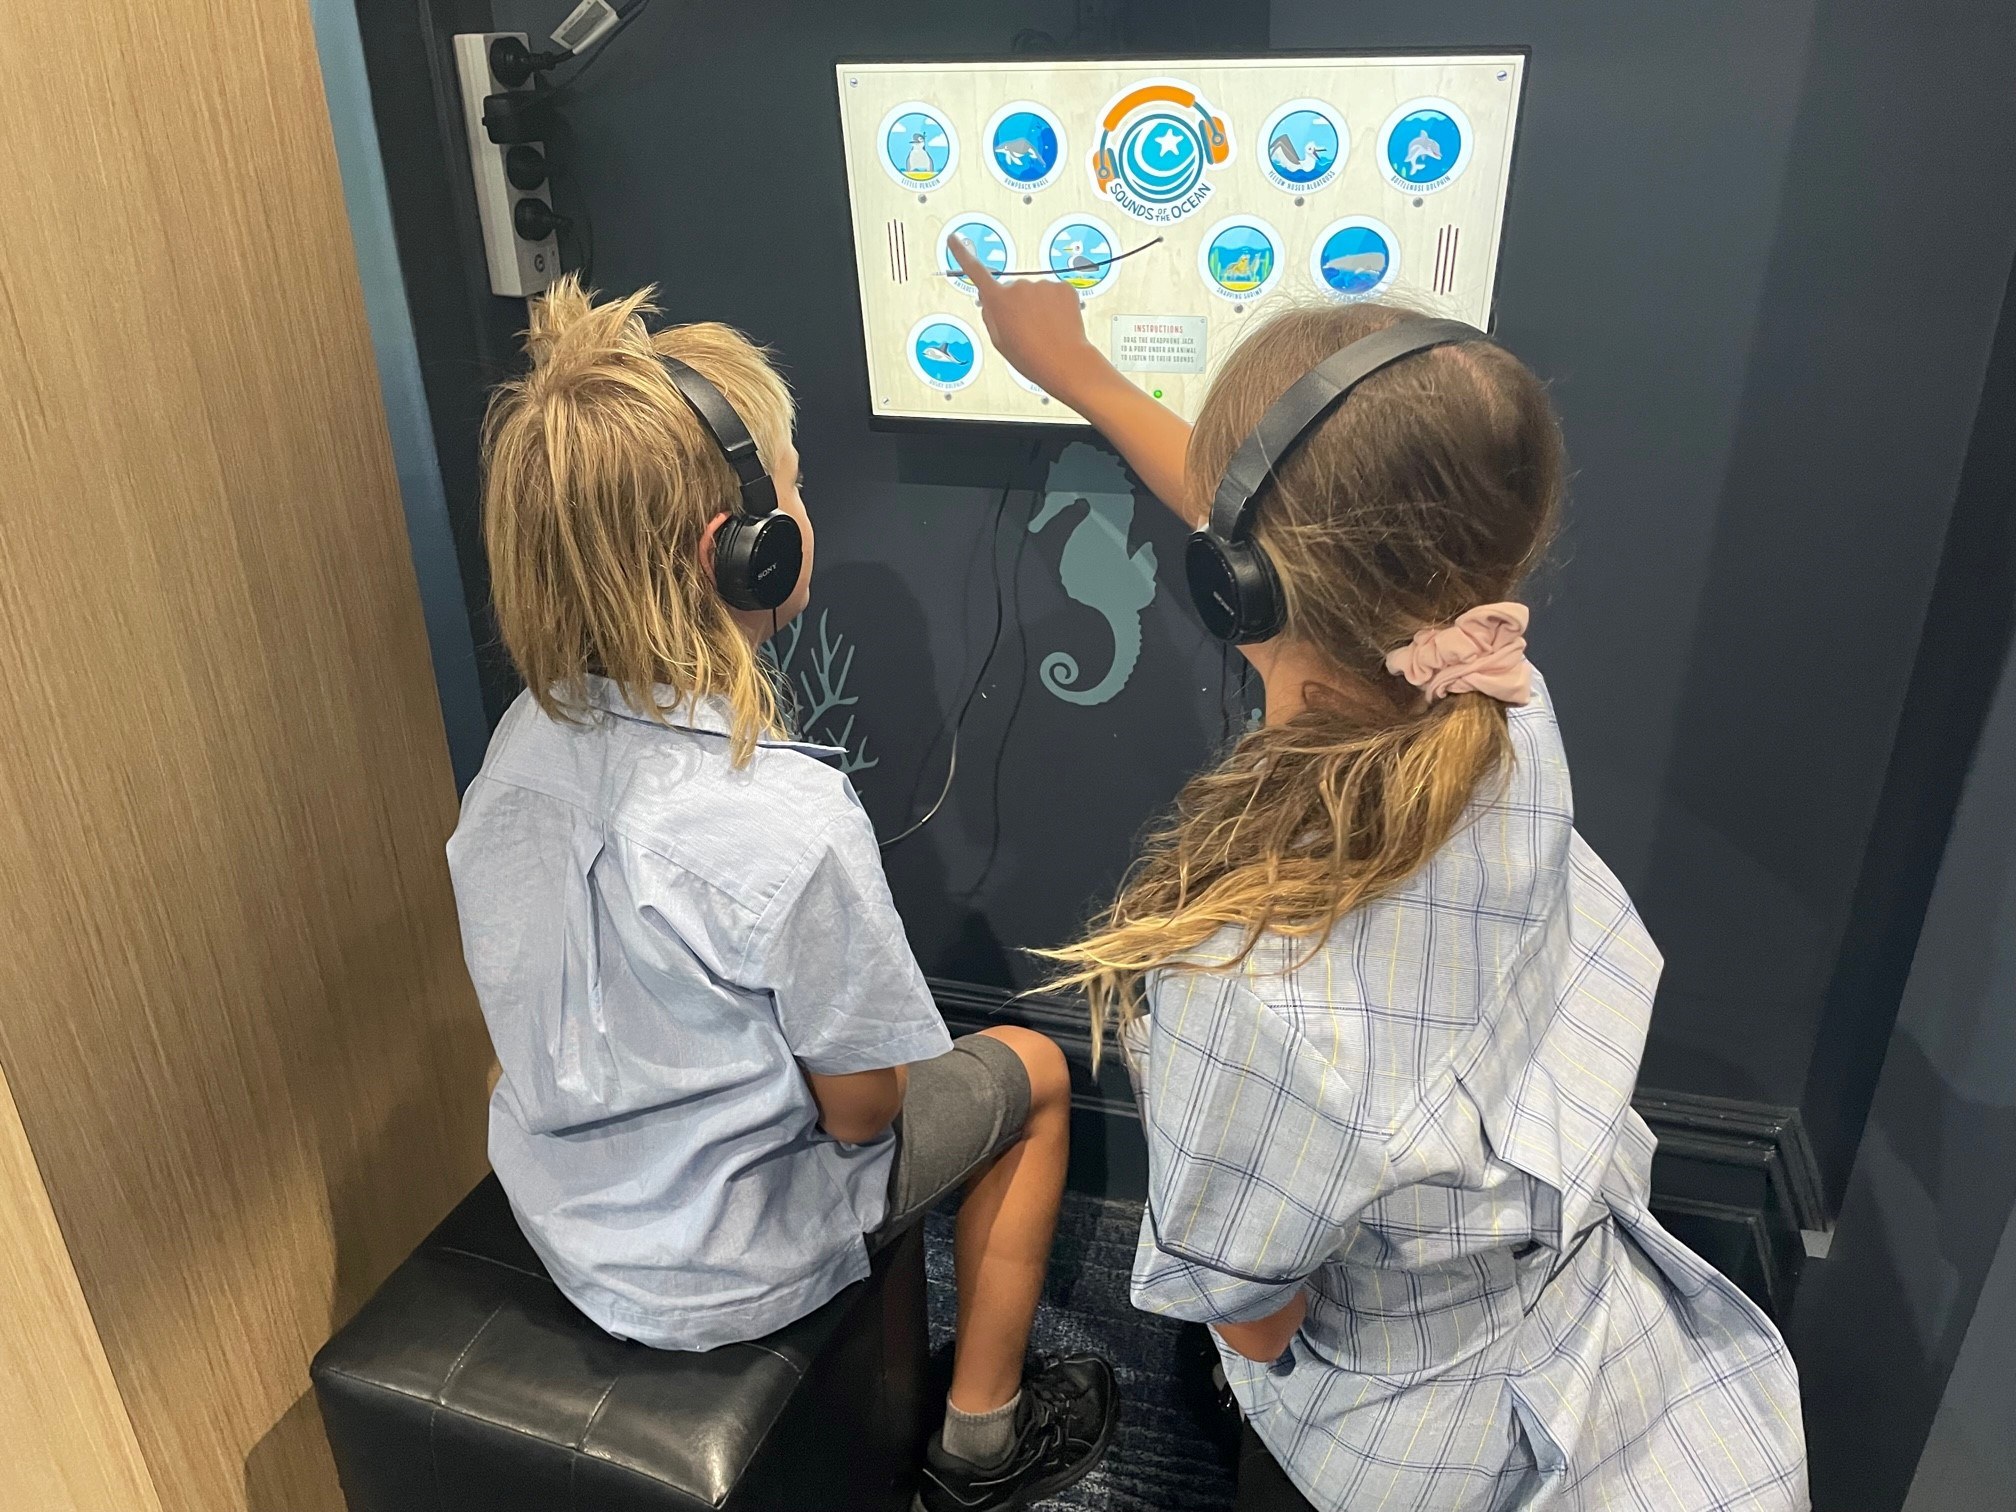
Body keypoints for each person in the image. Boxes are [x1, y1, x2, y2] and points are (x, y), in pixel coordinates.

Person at [950, 237, 1809, 1511]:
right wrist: (1078, 368)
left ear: (1233, 587)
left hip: (1413, 1443)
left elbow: (1250, 1318)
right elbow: (1285, 522)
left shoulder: (1246, 971)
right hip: (1586, 1306)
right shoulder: (1500, 697)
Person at [446, 276, 1115, 1512]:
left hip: (570, 1220)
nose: (803, 507)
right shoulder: (787, 818)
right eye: (794, 486)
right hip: (727, 1265)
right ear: (743, 549)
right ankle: (982, 1439)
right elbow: (861, 1114)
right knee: (1038, 1072)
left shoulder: (514, 755)